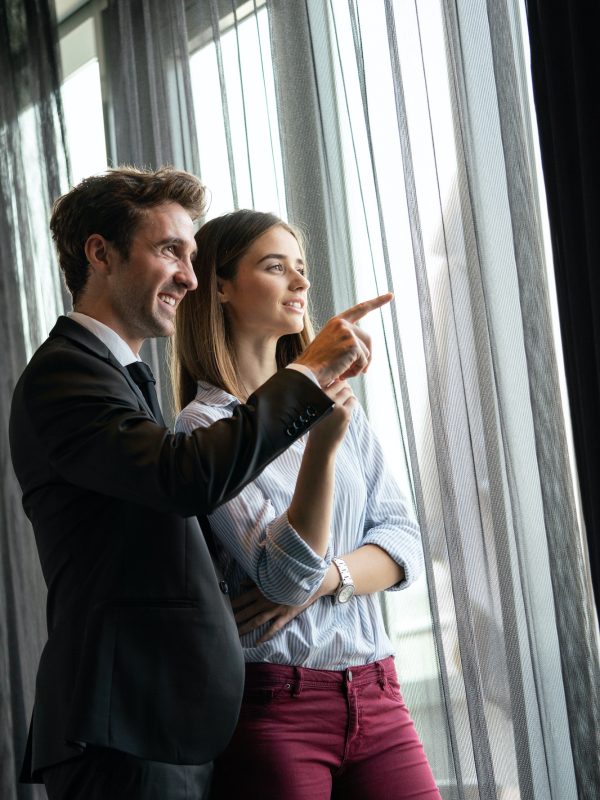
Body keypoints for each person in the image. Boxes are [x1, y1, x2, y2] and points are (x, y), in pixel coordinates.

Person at [8, 167, 392, 800]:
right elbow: (184, 477)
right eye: (169, 251)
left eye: (191, 255)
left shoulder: (118, 376)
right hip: (124, 722)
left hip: (161, 721)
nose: (189, 274)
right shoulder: (64, 376)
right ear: (100, 254)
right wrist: (309, 370)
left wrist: (315, 581)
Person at [174, 209, 441, 800]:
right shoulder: (205, 427)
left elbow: (406, 543)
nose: (301, 283)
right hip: (276, 707)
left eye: (302, 269)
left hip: (378, 691)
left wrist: (329, 581)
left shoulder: (341, 402)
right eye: (276, 267)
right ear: (218, 286)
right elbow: (282, 575)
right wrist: (320, 447)